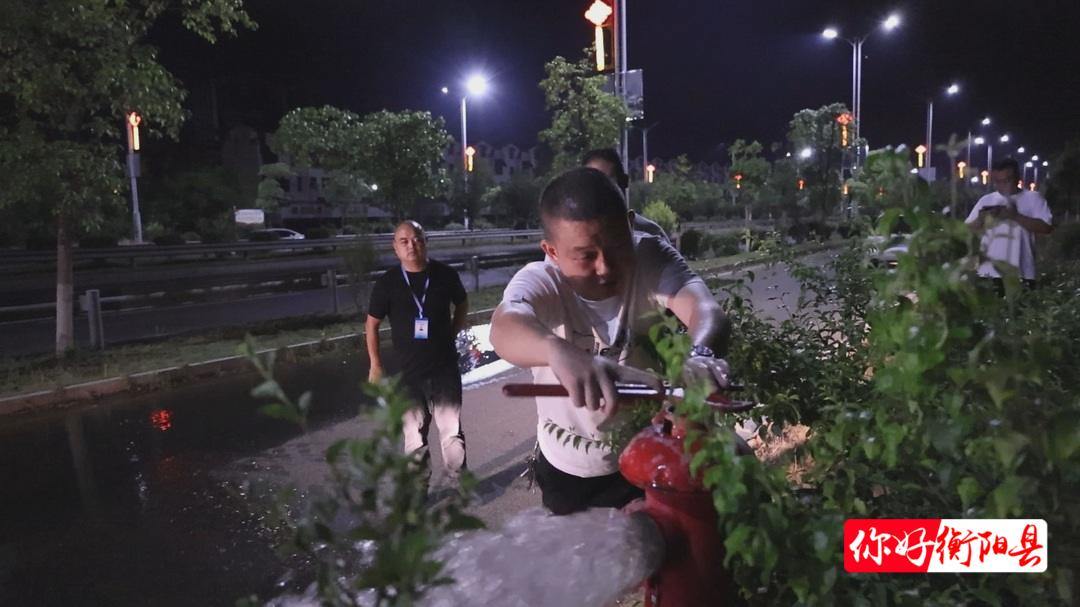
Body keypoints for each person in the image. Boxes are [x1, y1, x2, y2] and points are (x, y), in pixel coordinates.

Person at [490, 167, 732, 515]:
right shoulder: (541, 279)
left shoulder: (650, 256)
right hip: (568, 465)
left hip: (647, 449)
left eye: (617, 246)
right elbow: (504, 326)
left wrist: (700, 354)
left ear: (630, 224)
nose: (605, 267)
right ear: (552, 251)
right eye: (586, 256)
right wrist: (557, 351)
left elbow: (706, 310)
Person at [366, 220, 470, 484]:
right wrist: (375, 364)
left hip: (445, 368)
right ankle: (418, 487)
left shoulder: (446, 275)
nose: (411, 245)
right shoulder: (387, 284)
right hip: (407, 374)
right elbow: (371, 324)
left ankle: (460, 483)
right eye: (404, 241)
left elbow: (462, 303)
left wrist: (452, 332)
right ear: (395, 247)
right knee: (414, 435)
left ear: (425, 242)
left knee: (451, 431)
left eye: (417, 239)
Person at [965, 158, 1053, 289]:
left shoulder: (1034, 198)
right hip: (988, 273)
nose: (1002, 185)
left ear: (1017, 178)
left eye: (1007, 180)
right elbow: (966, 230)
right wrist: (980, 219)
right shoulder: (986, 200)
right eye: (998, 181)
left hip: (1022, 273)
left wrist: (1015, 216)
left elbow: (1046, 227)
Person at [582, 148, 671, 242]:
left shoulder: (651, 235)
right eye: (594, 182)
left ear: (623, 183)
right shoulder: (574, 233)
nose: (601, 191)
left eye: (608, 182)